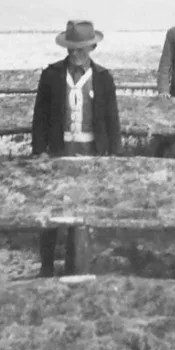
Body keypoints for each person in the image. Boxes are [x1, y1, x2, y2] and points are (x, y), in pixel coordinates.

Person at [32, 20, 122, 276]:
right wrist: (40, 153)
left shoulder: (103, 78)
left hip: (90, 153)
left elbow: (113, 120)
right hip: (59, 152)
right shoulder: (51, 75)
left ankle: (78, 265)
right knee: (51, 208)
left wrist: (114, 155)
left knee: (84, 210)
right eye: (71, 49)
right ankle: (46, 265)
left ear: (92, 47)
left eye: (81, 49)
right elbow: (39, 118)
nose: (75, 54)